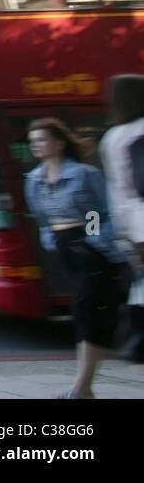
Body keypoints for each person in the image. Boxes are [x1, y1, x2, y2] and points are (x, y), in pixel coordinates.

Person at [24, 117, 126, 398]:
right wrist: (55, 243)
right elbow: (42, 219)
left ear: (59, 143)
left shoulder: (84, 174)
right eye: (33, 141)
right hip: (65, 249)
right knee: (87, 314)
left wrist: (93, 241)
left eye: (42, 139)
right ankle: (84, 388)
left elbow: (107, 212)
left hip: (92, 248)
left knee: (85, 312)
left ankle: (81, 388)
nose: (36, 146)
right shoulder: (34, 179)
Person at [99, 74, 144, 363]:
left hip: (130, 228)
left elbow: (117, 190)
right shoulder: (140, 132)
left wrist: (127, 236)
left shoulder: (111, 137)